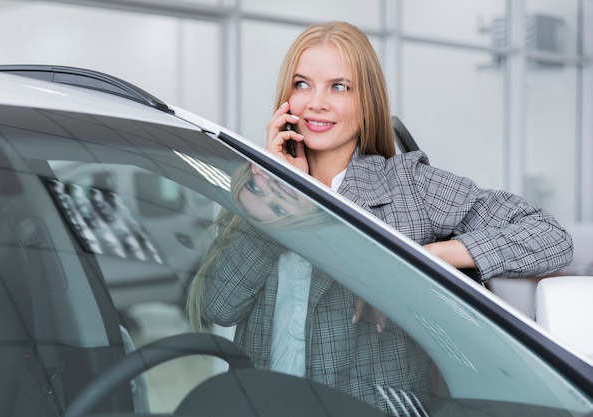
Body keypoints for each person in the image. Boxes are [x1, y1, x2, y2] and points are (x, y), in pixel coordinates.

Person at [187, 21, 573, 413]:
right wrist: (278, 199)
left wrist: (419, 262)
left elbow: (548, 236)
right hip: (265, 403)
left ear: (366, 100)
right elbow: (219, 307)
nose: (316, 102)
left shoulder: (408, 186)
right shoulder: (252, 184)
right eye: (302, 84)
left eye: (339, 87)